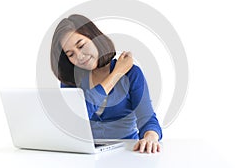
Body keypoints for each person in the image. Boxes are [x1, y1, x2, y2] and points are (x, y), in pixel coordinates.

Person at [50, 14, 162, 153]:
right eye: (71, 54)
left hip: (126, 151)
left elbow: (147, 118)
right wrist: (116, 75)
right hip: (86, 154)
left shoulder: (132, 73)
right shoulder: (71, 79)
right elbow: (78, 119)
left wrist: (150, 137)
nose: (79, 56)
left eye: (81, 45)